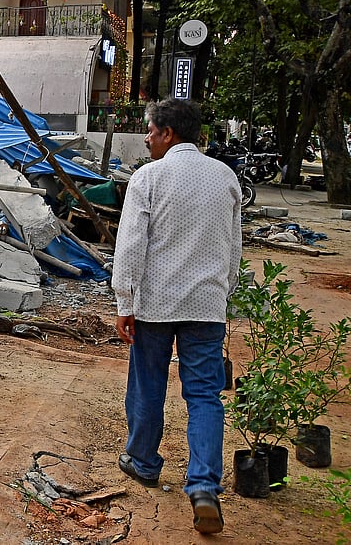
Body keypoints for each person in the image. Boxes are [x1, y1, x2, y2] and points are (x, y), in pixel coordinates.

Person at [111, 98, 242, 535]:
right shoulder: (225, 178)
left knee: (148, 382)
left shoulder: (148, 178)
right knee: (205, 396)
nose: (146, 138)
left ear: (168, 133)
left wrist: (124, 303)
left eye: (150, 130)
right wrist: (224, 295)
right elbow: (234, 251)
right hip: (206, 306)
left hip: (155, 305)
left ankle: (143, 461)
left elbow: (130, 248)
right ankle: (205, 486)